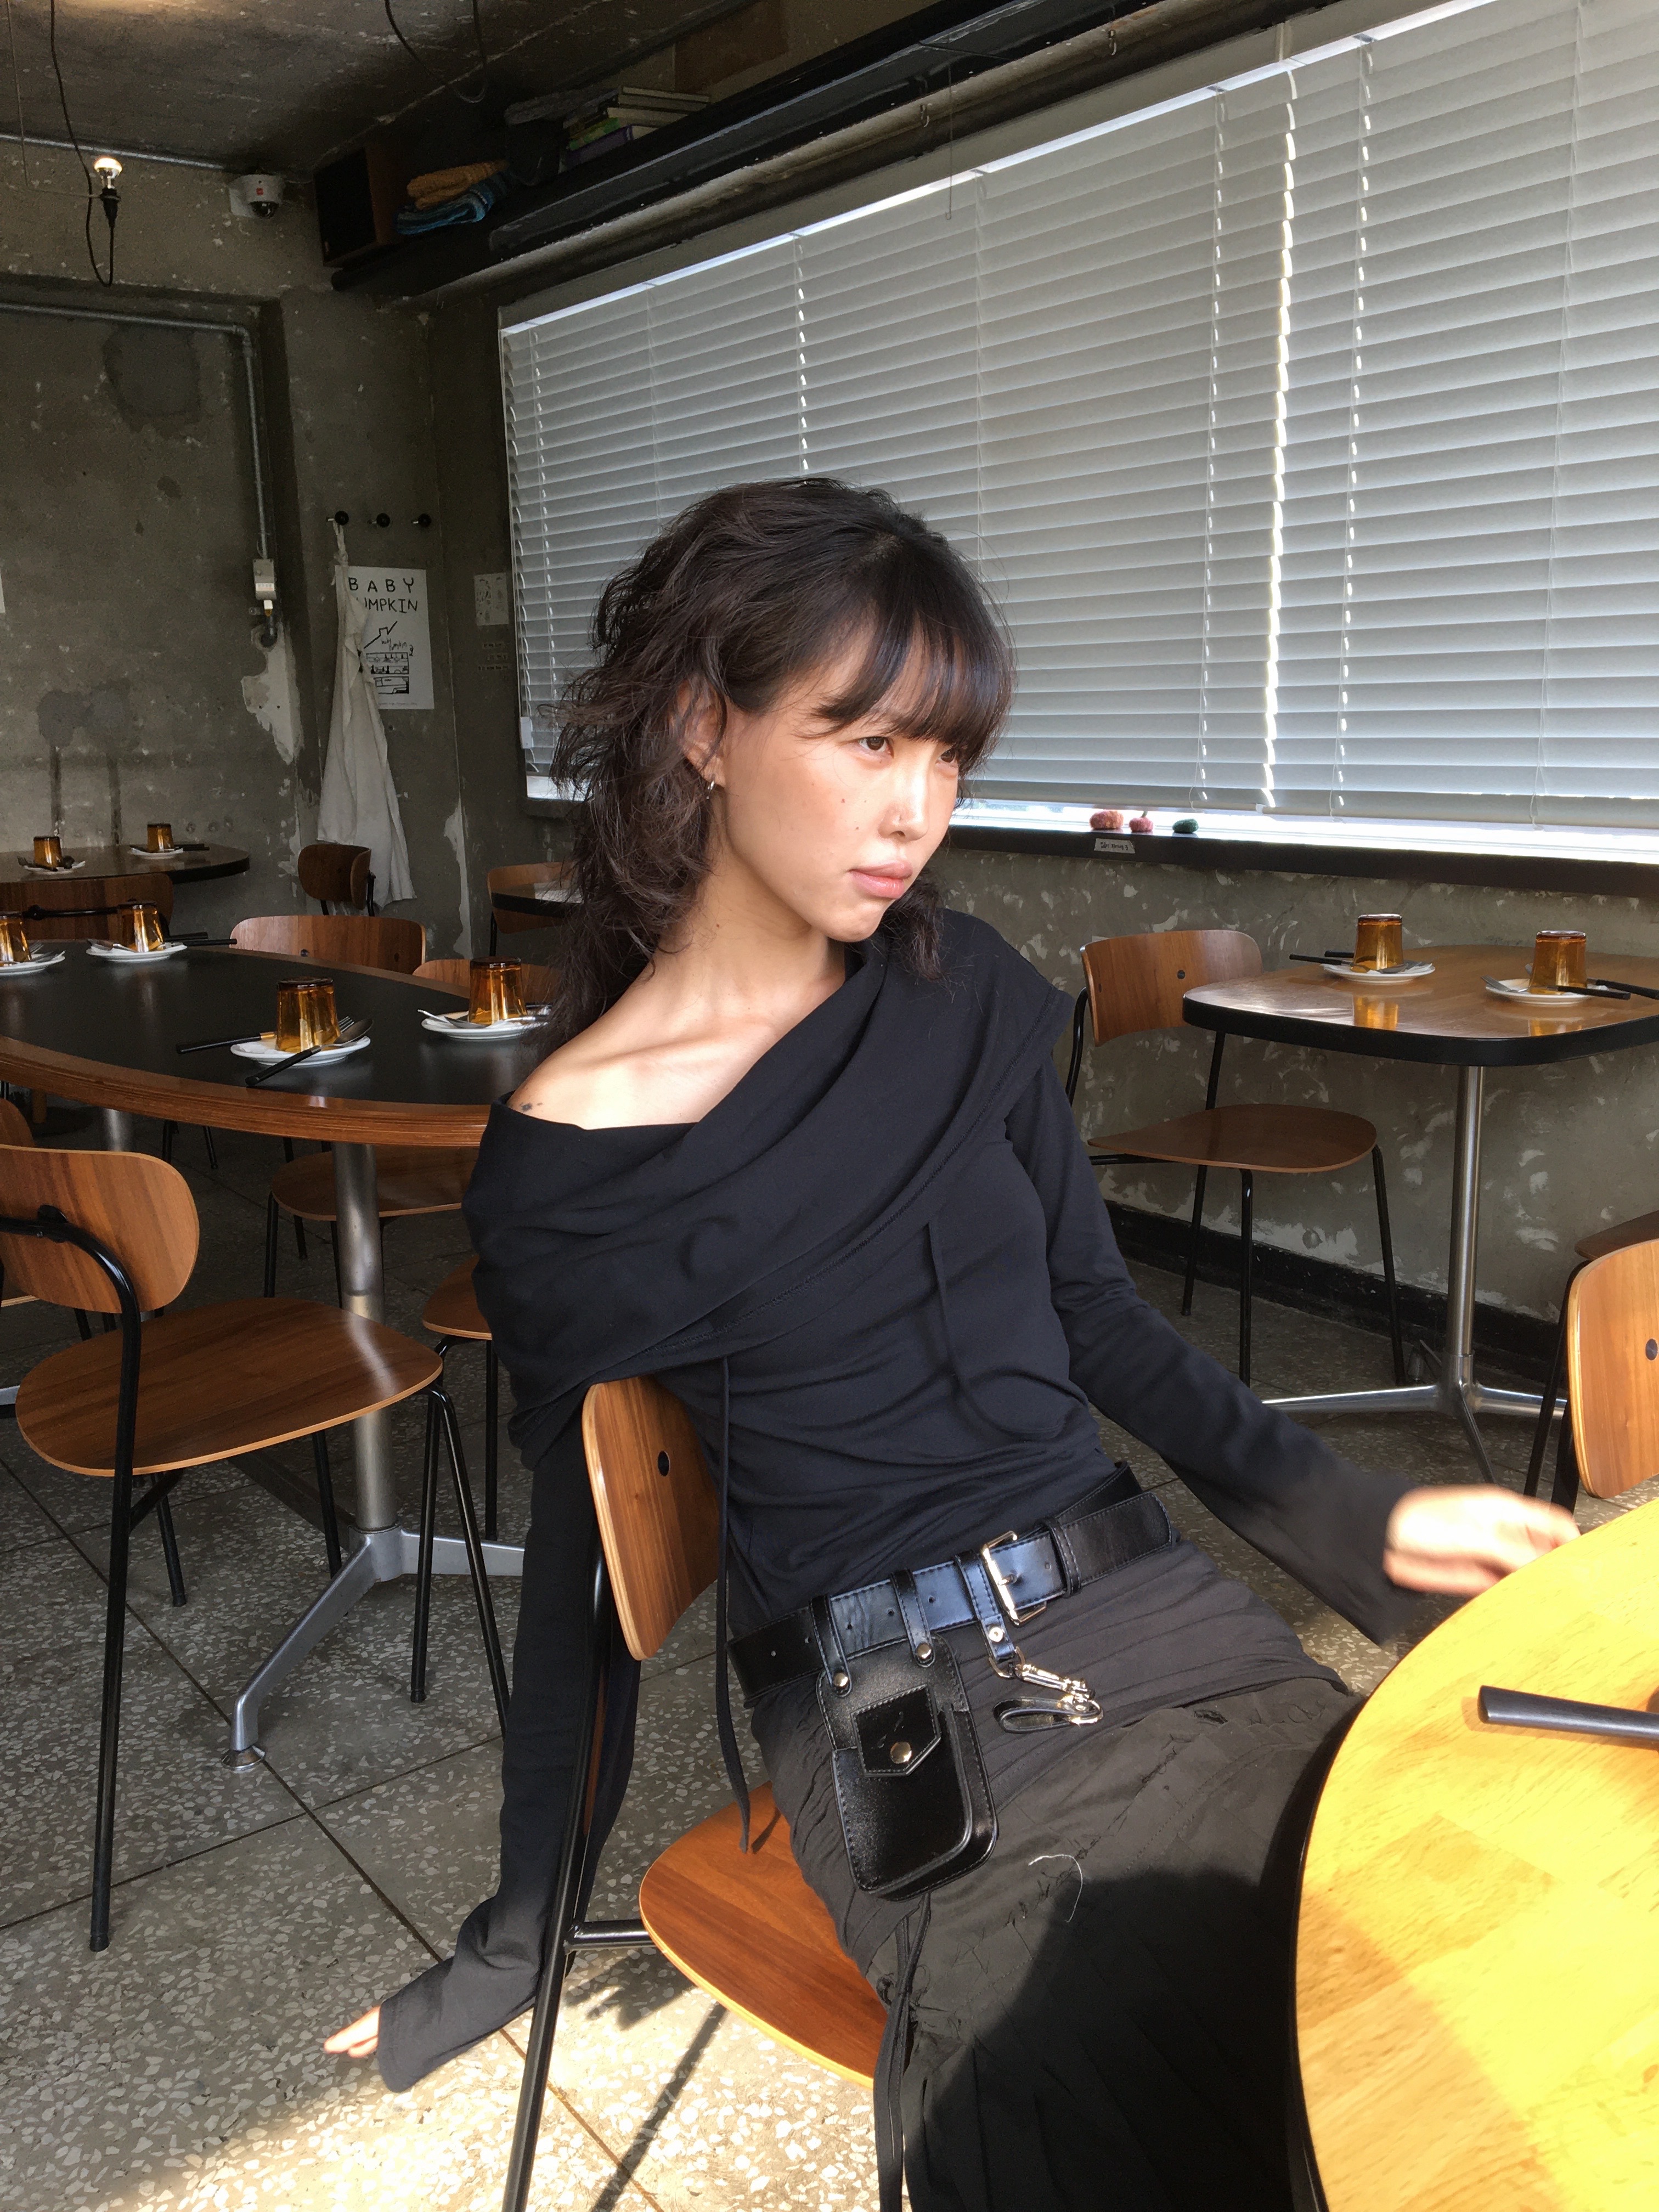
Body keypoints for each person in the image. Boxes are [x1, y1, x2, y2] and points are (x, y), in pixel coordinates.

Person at [328, 477, 1575, 2209]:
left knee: (1455, 1951)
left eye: (948, 757)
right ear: (704, 725)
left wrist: (1356, 1517)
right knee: (1125, 2058)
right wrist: (512, 1939)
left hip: (1157, 1616)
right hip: (907, 1714)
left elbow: (1098, 1320)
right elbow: (580, 1602)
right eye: (866, 743)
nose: (916, 810)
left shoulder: (961, 988)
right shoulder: (570, 1162)